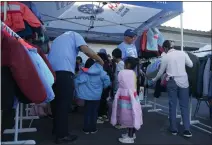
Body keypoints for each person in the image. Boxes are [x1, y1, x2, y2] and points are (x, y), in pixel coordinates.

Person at [48, 31, 104, 144]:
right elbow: (86, 50)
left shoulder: (58, 39)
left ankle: (57, 130)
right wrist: (99, 60)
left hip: (51, 73)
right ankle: (62, 135)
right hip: (64, 73)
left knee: (56, 103)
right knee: (64, 105)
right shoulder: (75, 35)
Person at [151, 40, 193, 138]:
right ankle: (187, 130)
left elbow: (161, 72)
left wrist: (154, 79)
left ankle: (173, 129)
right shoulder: (183, 53)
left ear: (165, 48)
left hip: (172, 81)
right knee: (184, 106)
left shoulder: (165, 57)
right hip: (184, 81)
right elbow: (191, 65)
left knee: (172, 105)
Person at [111, 57, 143, 144]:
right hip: (132, 96)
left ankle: (130, 137)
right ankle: (131, 134)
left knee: (128, 116)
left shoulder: (123, 72)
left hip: (126, 97)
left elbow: (119, 81)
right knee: (133, 115)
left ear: (128, 64)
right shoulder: (133, 72)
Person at [75, 58, 111, 134]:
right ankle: (93, 128)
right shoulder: (101, 72)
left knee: (87, 112)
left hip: (87, 96)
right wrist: (103, 86)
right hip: (97, 96)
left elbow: (77, 81)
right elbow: (107, 81)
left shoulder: (85, 73)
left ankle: (86, 129)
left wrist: (79, 91)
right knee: (94, 112)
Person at [97, 51, 113, 123]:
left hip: (101, 87)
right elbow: (112, 77)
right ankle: (105, 115)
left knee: (101, 101)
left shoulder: (101, 66)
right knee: (104, 101)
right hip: (107, 87)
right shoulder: (108, 65)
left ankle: (100, 116)